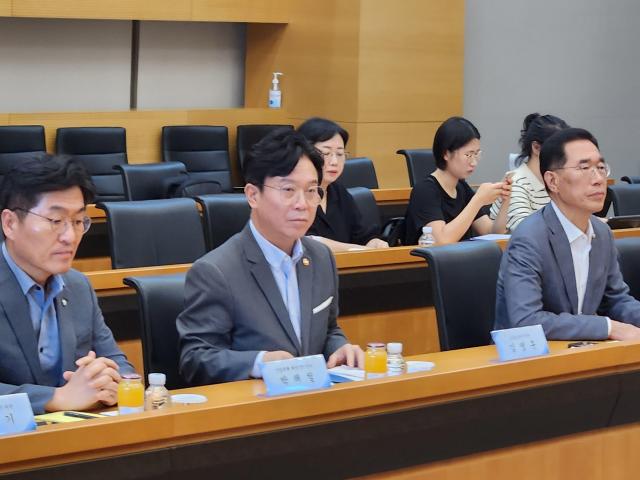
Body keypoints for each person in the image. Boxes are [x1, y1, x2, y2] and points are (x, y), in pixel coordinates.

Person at [177, 129, 364, 385]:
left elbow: (328, 329)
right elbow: (195, 359)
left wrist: (339, 348)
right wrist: (260, 362)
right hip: (255, 403)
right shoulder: (215, 271)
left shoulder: (321, 257)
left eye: (311, 191)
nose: (302, 204)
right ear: (253, 195)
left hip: (312, 398)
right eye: (288, 189)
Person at [0, 155, 133, 414]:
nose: (70, 237)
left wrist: (112, 381)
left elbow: (116, 360)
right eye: (55, 221)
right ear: (10, 223)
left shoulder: (78, 286)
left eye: (78, 221)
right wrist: (55, 398)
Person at [495, 128, 640, 340]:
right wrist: (609, 327)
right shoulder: (529, 238)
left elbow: (616, 300)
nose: (598, 179)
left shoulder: (602, 233)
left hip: (581, 350)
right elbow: (526, 320)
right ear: (553, 181)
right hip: (528, 354)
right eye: (584, 168)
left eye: (601, 168)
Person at [404, 116, 511, 245]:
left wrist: (506, 198)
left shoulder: (462, 188)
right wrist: (478, 200)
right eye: (468, 155)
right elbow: (440, 241)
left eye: (476, 154)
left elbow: (491, 232)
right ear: (446, 154)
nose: (474, 162)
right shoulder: (425, 191)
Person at [297, 117, 389, 252]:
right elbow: (307, 242)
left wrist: (374, 243)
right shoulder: (294, 194)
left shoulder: (338, 191)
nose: (334, 161)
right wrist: (359, 249)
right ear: (304, 153)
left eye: (340, 154)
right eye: (326, 153)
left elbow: (363, 235)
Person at [489, 113, 569, 232]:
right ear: (536, 147)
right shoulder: (516, 182)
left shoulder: (558, 181)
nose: (565, 155)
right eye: (558, 149)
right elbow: (526, 231)